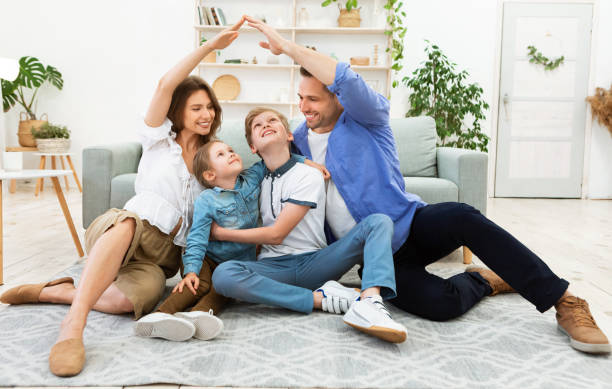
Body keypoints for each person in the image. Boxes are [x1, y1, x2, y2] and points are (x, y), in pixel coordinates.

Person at [243, 16, 611, 354]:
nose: (304, 106)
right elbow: (266, 164)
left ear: (338, 98)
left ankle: (565, 301)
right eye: (300, 98)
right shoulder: (299, 139)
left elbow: (347, 78)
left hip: (410, 224)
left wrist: (288, 47)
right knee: (440, 305)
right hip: (374, 256)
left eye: (313, 98)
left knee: (463, 217)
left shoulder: (367, 117)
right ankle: (484, 281)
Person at [0, 18, 249, 377]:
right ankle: (73, 327)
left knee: (126, 303)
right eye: (196, 107)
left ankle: (54, 292)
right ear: (177, 111)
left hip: (164, 255)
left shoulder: (213, 160)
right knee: (128, 224)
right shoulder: (157, 139)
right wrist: (211, 46)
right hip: (127, 228)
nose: (207, 114)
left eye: (210, 107)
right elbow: (166, 83)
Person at [210, 107, 407, 344]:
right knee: (223, 275)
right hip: (273, 268)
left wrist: (222, 234)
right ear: (253, 147)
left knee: (378, 222)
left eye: (273, 120)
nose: (266, 125)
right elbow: (231, 178)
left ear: (289, 136)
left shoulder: (308, 175)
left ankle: (370, 302)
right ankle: (320, 299)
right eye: (258, 126)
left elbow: (276, 235)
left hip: (314, 263)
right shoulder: (255, 178)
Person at [133, 140, 328, 341]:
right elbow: (198, 237)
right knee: (198, 284)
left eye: (231, 150)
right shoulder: (207, 200)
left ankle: (197, 316)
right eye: (221, 155)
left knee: (222, 288)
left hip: (237, 263)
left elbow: (276, 160)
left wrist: (306, 162)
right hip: (207, 257)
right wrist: (191, 270)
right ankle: (159, 317)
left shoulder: (252, 179)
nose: (231, 154)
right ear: (210, 175)